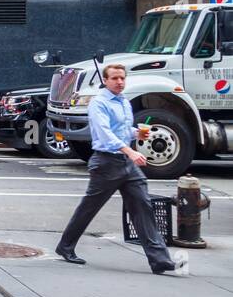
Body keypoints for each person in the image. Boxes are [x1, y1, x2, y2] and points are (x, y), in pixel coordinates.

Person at [56, 63, 177, 274]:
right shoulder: (99, 103)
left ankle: (160, 260)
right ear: (105, 80)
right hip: (106, 163)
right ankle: (65, 246)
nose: (120, 82)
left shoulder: (123, 101)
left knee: (143, 207)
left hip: (126, 164)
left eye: (122, 78)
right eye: (115, 78)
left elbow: (120, 130)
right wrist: (130, 152)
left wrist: (136, 134)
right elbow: (104, 134)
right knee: (89, 208)